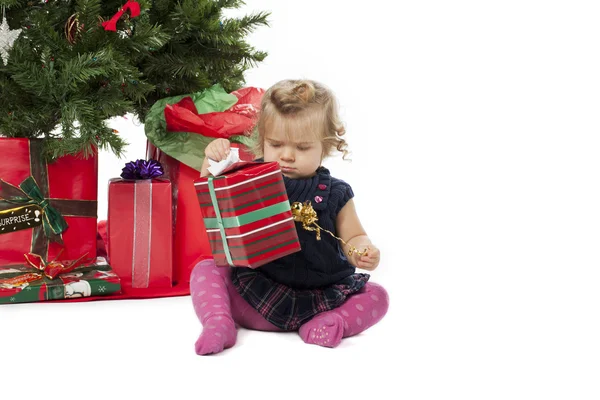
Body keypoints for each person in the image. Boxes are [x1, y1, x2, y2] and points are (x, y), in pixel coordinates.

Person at [192, 79, 389, 355]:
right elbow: (212, 198)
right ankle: (219, 322)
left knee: (377, 296)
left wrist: (363, 250)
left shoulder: (336, 193)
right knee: (206, 269)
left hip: (323, 297)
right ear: (262, 141)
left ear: (326, 147)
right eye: (275, 144)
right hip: (258, 297)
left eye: (302, 147)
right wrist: (211, 161)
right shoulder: (250, 179)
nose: (287, 155)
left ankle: (333, 323)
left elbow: (353, 234)